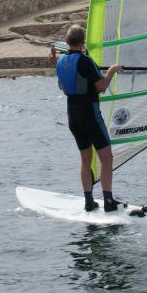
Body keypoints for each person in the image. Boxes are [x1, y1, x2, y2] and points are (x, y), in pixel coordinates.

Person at [51, 24, 122, 212]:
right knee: (106, 158)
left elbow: (61, 86)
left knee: (85, 159)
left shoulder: (60, 61)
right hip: (89, 114)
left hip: (72, 115)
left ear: (67, 41)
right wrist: (112, 71)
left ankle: (89, 201)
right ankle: (108, 201)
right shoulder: (85, 61)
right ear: (83, 42)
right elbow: (101, 86)